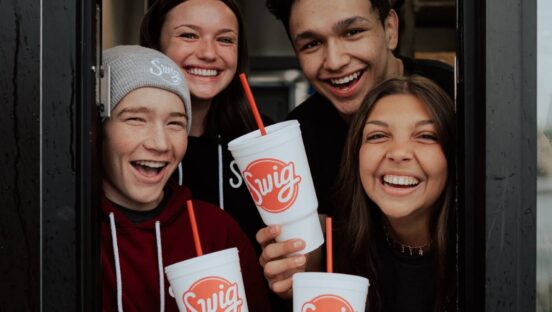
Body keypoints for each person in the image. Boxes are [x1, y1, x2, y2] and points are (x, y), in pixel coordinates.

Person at [258, 76, 457, 311]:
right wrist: (294, 292)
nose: (399, 152)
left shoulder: (489, 250)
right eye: (378, 135)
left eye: (426, 136)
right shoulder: (332, 255)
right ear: (356, 156)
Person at [100, 45, 271, 312]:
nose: (159, 143)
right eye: (136, 119)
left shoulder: (217, 231)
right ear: (97, 129)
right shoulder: (69, 231)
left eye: (175, 123)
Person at [264, 0, 454, 218]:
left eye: (352, 32)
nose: (335, 62)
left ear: (390, 29)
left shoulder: (458, 97)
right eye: (311, 44)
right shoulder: (299, 140)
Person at [140, 0, 270, 254]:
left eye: (225, 40)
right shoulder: (129, 142)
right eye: (189, 35)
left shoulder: (262, 136)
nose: (209, 53)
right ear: (155, 45)